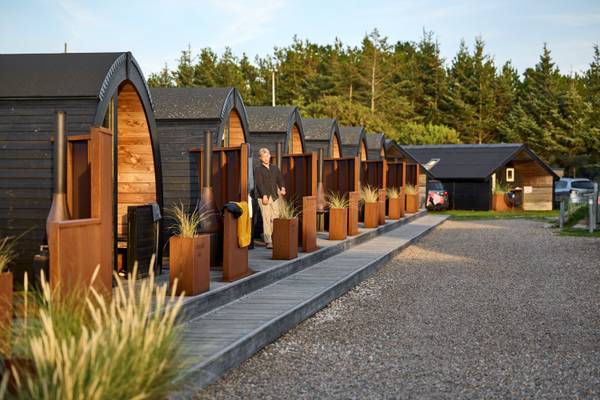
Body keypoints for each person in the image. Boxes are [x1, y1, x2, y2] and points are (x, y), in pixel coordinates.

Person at [254, 148, 286, 248]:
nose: (266, 158)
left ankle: (270, 235)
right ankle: (269, 241)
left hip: (274, 196)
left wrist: (282, 188)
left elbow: (280, 179)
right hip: (263, 197)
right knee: (266, 218)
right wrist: (263, 195)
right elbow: (259, 184)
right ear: (260, 158)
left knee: (275, 217)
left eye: (267, 156)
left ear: (270, 156)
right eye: (263, 157)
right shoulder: (258, 169)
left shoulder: (275, 168)